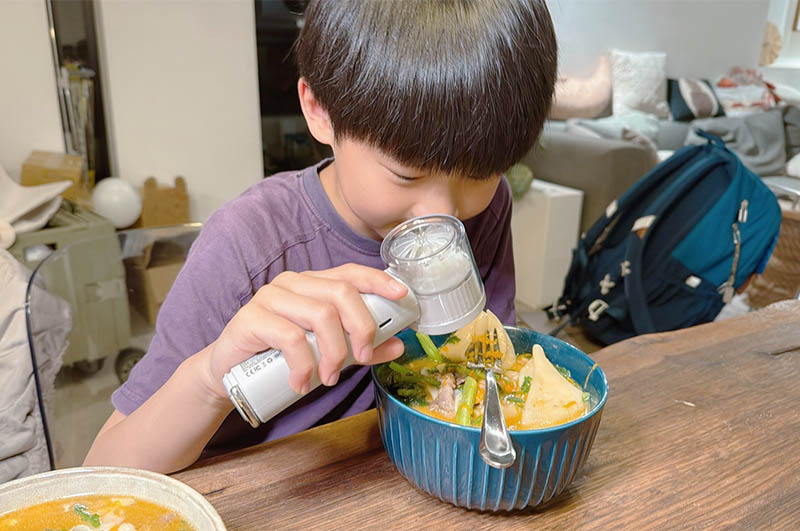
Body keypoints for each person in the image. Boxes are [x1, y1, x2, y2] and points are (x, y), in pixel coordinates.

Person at [84, 0, 557, 473]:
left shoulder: (484, 209)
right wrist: (211, 378)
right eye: (406, 176)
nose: (442, 216)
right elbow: (102, 472)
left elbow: (490, 355)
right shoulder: (248, 243)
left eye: (483, 172)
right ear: (319, 111)